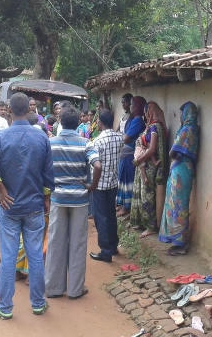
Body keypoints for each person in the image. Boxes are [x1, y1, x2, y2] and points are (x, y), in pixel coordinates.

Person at [0, 92, 54, 319]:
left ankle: (5, 308)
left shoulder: (2, 138)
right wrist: (46, 198)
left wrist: (1, 189)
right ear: (30, 110)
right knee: (35, 255)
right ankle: (38, 304)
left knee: (9, 256)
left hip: (10, 207)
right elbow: (49, 175)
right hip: (34, 206)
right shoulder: (41, 137)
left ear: (9, 111)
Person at [46, 105, 101, 299]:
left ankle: (53, 288)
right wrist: (92, 186)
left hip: (58, 198)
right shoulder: (86, 143)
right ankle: (75, 290)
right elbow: (97, 165)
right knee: (77, 244)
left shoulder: (50, 143)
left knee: (55, 242)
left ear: (59, 121)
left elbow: (43, 168)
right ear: (78, 122)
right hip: (79, 199)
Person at [159, 102, 200, 256]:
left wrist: (173, 155)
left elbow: (173, 151)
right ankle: (178, 241)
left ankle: (181, 243)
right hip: (184, 170)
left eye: (183, 113)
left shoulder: (188, 130)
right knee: (178, 205)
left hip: (181, 171)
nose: (181, 116)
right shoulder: (194, 129)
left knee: (178, 206)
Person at [89, 110, 124, 263]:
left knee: (100, 217)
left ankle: (105, 251)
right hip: (113, 183)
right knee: (111, 215)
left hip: (100, 185)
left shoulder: (97, 141)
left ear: (101, 122)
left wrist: (92, 185)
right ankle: (113, 246)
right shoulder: (120, 138)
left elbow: (96, 166)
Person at [130, 101, 168, 238]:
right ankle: (145, 223)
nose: (145, 115)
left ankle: (151, 226)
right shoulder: (155, 127)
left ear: (149, 112)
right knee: (146, 195)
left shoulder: (154, 128)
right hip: (148, 164)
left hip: (150, 167)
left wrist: (138, 160)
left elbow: (152, 149)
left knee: (147, 196)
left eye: (146, 112)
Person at [115, 96, 146, 218]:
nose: (130, 107)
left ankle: (126, 208)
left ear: (137, 107)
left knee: (127, 181)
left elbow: (126, 138)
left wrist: (120, 137)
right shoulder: (132, 119)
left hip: (130, 156)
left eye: (132, 104)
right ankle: (123, 205)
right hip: (125, 155)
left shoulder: (138, 120)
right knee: (123, 180)